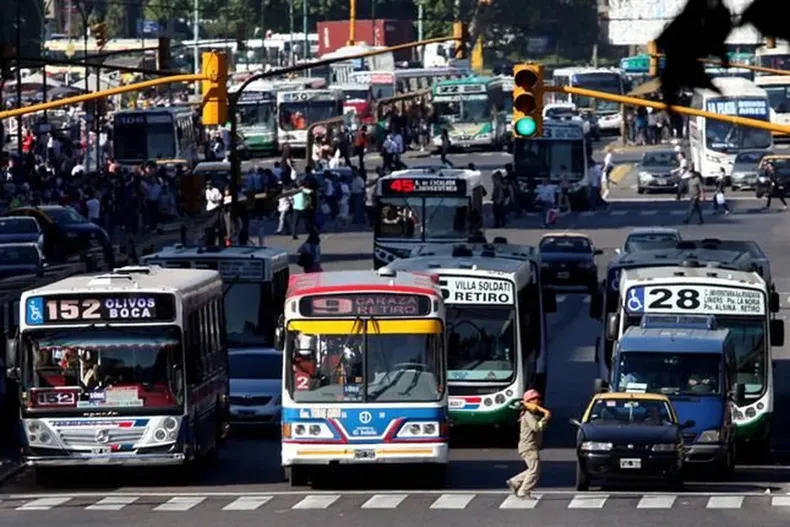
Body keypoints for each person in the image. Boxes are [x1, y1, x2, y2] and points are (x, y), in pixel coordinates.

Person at [506, 389, 551, 498]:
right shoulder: (528, 415)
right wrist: (545, 418)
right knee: (534, 471)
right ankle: (524, 491)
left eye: (539, 399)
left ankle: (515, 482)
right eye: (535, 399)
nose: (538, 401)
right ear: (529, 401)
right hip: (529, 447)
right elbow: (536, 427)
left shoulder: (529, 414)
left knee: (533, 469)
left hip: (529, 446)